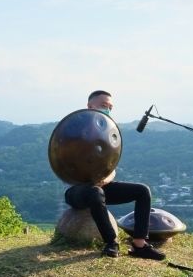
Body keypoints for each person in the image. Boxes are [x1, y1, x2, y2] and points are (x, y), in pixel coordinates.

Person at [64, 91, 166, 260]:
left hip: (102, 186)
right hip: (76, 190)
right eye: (104, 106)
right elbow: (63, 165)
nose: (108, 110)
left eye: (110, 107)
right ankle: (111, 243)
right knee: (95, 192)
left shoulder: (106, 131)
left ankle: (139, 244)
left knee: (142, 191)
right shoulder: (74, 130)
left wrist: (106, 179)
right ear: (90, 106)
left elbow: (111, 167)